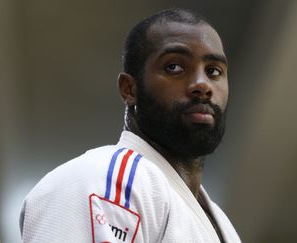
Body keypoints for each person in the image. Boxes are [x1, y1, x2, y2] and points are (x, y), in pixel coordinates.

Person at [20, 8, 241, 243]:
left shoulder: (221, 224)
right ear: (130, 89)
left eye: (213, 71)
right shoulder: (104, 180)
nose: (202, 85)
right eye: (174, 67)